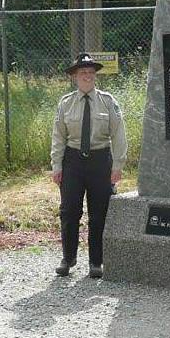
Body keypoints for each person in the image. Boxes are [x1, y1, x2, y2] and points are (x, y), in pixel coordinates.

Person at [51, 53, 127, 277]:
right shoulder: (66, 103)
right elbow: (58, 136)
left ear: (95, 76)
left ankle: (96, 262)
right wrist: (57, 165)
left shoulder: (108, 101)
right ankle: (68, 258)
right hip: (72, 161)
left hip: (100, 160)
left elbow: (118, 134)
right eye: (83, 72)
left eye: (91, 73)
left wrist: (118, 165)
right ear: (75, 76)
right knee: (69, 211)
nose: (87, 76)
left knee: (99, 213)